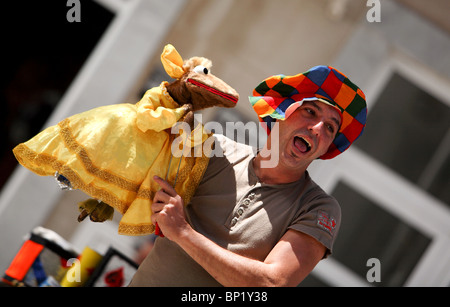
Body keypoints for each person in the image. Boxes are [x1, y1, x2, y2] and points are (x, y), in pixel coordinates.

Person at [128, 65, 367, 286]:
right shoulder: (214, 149)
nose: (317, 128)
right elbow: (135, 171)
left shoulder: (318, 208)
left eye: (330, 127)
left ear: (327, 148)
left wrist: (183, 233)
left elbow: (272, 283)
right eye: (310, 111)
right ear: (281, 112)